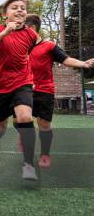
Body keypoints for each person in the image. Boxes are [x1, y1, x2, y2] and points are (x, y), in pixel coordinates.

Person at [0, 0, 39, 180]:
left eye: (22, 7)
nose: (20, 10)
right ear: (5, 15)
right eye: (14, 8)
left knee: (25, 117)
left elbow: (32, 55)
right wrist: (5, 33)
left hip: (22, 83)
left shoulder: (32, 35)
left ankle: (28, 165)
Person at [22, 14, 94, 167]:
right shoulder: (20, 47)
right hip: (25, 90)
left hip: (44, 90)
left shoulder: (49, 46)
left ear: (31, 29)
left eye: (23, 29)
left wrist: (84, 64)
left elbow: (66, 59)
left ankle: (45, 154)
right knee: (22, 119)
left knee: (44, 125)